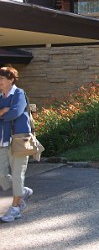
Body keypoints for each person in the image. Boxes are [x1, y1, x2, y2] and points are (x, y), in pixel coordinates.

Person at [0, 66, 34, 223]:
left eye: (1, 79)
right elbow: (8, 113)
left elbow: (15, 112)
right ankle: (22, 191)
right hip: (2, 141)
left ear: (11, 79)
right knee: (2, 174)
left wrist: (5, 112)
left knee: (17, 174)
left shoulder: (19, 94)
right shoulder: (0, 96)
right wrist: (3, 111)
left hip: (19, 140)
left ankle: (15, 208)